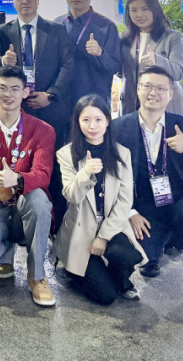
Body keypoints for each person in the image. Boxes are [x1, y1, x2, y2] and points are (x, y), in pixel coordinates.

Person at [114, 66, 183, 309]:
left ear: (170, 94)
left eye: (161, 88)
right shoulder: (119, 128)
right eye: (148, 86)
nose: (153, 92)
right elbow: (111, 178)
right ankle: (157, 249)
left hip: (181, 202)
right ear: (138, 89)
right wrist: (130, 211)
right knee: (140, 259)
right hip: (144, 208)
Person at [0, 66, 56, 307]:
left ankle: (37, 276)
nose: (8, 94)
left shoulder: (43, 130)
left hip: (26, 205)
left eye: (15, 89)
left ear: (25, 92)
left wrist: (18, 179)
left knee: (39, 199)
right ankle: (5, 255)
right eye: (3, 88)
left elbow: (43, 175)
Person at [0, 0, 75, 229]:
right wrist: (3, 61)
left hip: (50, 109)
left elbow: (67, 65)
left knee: (54, 166)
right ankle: (21, 222)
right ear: (12, 0)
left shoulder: (57, 30)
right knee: (20, 163)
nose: (25, 1)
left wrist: (49, 95)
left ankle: (57, 223)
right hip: (18, 111)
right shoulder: (2, 31)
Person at [55, 94, 146, 306]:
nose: (92, 126)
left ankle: (120, 280)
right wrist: (85, 173)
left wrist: (103, 237)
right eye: (85, 120)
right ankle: (75, 272)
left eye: (98, 119)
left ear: (107, 121)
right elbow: (71, 195)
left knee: (126, 255)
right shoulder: (66, 154)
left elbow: (124, 201)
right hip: (80, 229)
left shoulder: (122, 154)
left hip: (111, 224)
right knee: (106, 296)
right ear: (77, 122)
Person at [119, 0, 183, 117]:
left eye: (144, 9)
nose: (139, 14)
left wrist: (157, 61)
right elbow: (120, 72)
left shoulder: (173, 37)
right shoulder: (123, 39)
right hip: (131, 106)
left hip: (166, 106)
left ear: (155, 10)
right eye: (133, 10)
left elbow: (179, 72)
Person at [53, 0, 121, 105]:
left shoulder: (106, 26)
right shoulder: (57, 24)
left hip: (94, 101)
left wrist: (100, 53)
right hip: (61, 102)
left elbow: (115, 67)